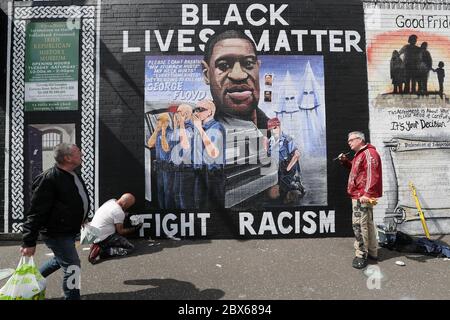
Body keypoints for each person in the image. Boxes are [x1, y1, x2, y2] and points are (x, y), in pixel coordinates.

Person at [20, 143, 89, 300]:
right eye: (78, 152)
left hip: (69, 230)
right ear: (68, 158)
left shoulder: (72, 174)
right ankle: (72, 297)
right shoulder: (49, 179)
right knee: (72, 266)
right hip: (57, 233)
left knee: (60, 259)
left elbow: (72, 201)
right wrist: (28, 242)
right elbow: (36, 212)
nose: (82, 154)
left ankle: (31, 280)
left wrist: (82, 218)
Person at [201, 29, 268, 129]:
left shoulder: (276, 135)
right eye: (223, 65)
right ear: (207, 75)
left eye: (248, 63)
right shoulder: (193, 134)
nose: (238, 75)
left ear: (258, 68)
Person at [338, 131, 382, 269]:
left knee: (358, 224)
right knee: (367, 223)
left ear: (360, 140)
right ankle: (373, 252)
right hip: (361, 195)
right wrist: (345, 162)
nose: (349, 142)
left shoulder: (369, 154)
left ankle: (361, 255)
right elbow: (357, 172)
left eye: (351, 140)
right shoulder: (361, 154)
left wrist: (367, 194)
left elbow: (372, 175)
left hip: (361, 197)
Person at [88, 193, 141, 264]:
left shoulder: (111, 201)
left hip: (91, 234)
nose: (129, 207)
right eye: (129, 205)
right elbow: (121, 231)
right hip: (104, 237)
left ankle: (97, 244)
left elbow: (113, 214)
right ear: (125, 203)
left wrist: (126, 214)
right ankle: (103, 251)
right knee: (130, 248)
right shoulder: (119, 212)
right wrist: (135, 229)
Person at [192, 99, 226, 208]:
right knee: (200, 205)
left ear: (210, 112)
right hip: (200, 173)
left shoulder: (217, 127)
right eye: (195, 110)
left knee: (214, 207)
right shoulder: (200, 128)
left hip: (213, 174)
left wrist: (199, 129)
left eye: (200, 110)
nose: (196, 113)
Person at [265, 118, 305, 204]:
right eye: (271, 129)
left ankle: (296, 186)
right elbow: (268, 155)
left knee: (289, 198)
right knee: (273, 195)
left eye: (275, 128)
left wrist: (288, 168)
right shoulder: (270, 141)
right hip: (277, 169)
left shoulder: (287, 139)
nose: (273, 131)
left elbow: (297, 154)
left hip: (288, 168)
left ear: (279, 127)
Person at [171, 103, 196, 209]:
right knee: (176, 192)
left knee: (183, 195)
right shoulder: (181, 127)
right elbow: (173, 139)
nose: (176, 114)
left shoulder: (190, 127)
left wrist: (180, 123)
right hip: (179, 166)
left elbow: (185, 144)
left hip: (187, 167)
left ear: (185, 114)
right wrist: (176, 124)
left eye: (178, 112)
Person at [147, 113, 174, 209]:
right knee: (160, 190)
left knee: (167, 191)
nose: (158, 124)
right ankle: (161, 208)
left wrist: (163, 132)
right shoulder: (157, 133)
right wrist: (156, 131)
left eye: (161, 122)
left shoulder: (171, 133)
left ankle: (168, 208)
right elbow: (150, 144)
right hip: (159, 165)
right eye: (158, 122)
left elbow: (166, 148)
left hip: (167, 166)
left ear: (167, 122)